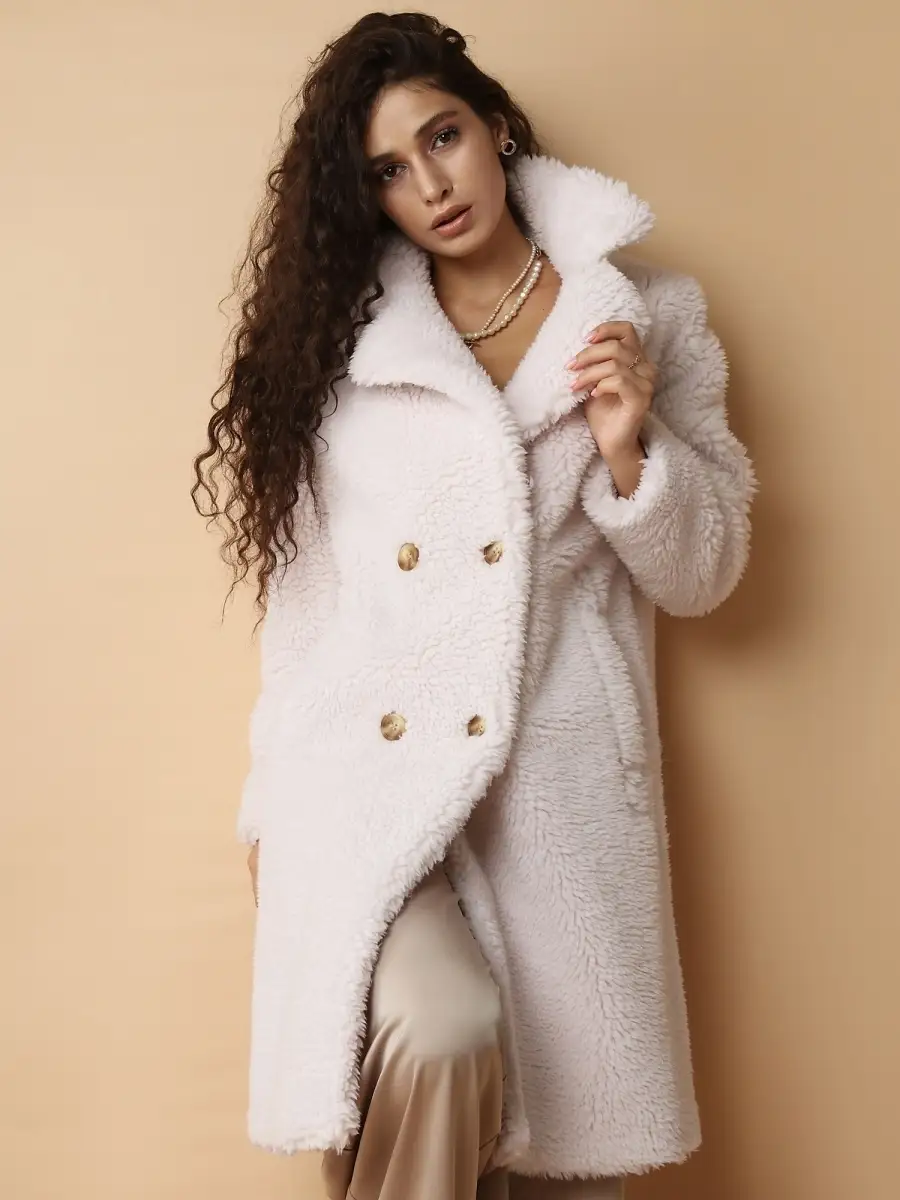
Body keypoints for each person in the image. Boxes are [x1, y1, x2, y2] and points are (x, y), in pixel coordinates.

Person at [192, 11, 757, 1200]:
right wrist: (268, 807)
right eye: (388, 172)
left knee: (553, 1165)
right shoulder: (347, 354)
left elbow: (705, 573)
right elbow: (307, 609)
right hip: (368, 778)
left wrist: (630, 447)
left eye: (442, 137)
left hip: (552, 789)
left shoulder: (647, 316)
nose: (431, 186)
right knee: (440, 1034)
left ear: (495, 126)